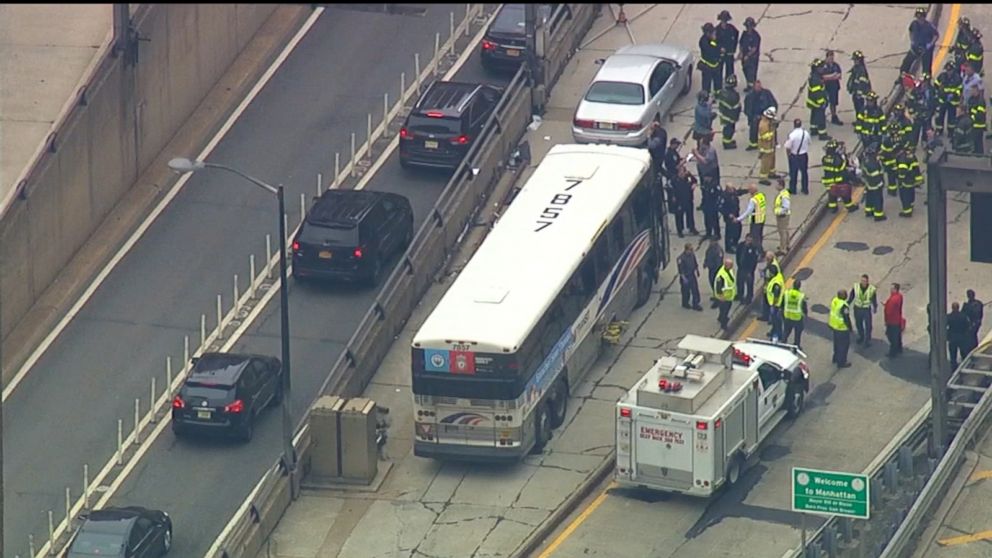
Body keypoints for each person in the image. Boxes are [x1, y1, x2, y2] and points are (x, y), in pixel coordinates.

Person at [900, 7, 938, 76]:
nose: (919, 19)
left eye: (921, 17)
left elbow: (936, 35)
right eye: (918, 17)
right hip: (915, 47)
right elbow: (910, 31)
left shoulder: (929, 26)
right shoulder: (914, 24)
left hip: (926, 50)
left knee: (926, 69)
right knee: (906, 63)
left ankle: (926, 82)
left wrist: (930, 44)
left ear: (924, 17)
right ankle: (903, 78)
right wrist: (912, 40)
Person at [744, 80, 777, 151]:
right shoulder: (750, 96)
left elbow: (773, 104)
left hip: (767, 116)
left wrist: (768, 115)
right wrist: (753, 116)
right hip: (755, 117)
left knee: (771, 128)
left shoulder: (767, 93)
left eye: (759, 86)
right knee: (753, 129)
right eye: (757, 86)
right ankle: (753, 144)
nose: (759, 88)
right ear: (754, 87)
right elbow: (747, 108)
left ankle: (773, 142)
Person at [907, 72, 937, 148]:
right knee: (915, 130)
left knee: (926, 129)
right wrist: (912, 112)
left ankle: (925, 142)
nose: (923, 83)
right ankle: (913, 145)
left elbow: (935, 101)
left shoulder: (932, 90)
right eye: (922, 82)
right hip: (918, 113)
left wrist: (935, 111)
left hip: (928, 113)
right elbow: (910, 101)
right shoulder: (916, 90)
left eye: (925, 82)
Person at [848, 274, 878, 347]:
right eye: (862, 280)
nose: (863, 282)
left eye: (865, 281)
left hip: (866, 309)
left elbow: (874, 299)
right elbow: (851, 297)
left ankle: (867, 341)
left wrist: (875, 307)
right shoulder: (856, 287)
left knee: (868, 326)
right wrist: (847, 304)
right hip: (857, 308)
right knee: (859, 324)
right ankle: (861, 336)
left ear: (867, 281)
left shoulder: (871, 289)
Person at [669, 162, 698, 237]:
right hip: (679, 200)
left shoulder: (688, 176)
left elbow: (695, 181)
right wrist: (673, 197)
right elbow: (670, 189)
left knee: (690, 214)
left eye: (684, 171)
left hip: (688, 199)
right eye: (681, 172)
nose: (683, 173)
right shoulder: (674, 179)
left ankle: (691, 227)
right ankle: (680, 230)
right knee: (679, 216)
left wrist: (694, 185)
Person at [933, 61, 962, 135]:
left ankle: (951, 131)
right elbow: (936, 84)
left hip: (952, 101)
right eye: (947, 70)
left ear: (953, 70)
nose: (949, 72)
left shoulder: (957, 78)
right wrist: (937, 93)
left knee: (951, 117)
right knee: (940, 116)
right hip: (942, 100)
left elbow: (960, 89)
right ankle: (939, 130)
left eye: (950, 70)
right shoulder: (942, 76)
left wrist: (954, 94)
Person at [783, 118, 811, 194]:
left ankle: (793, 189)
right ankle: (805, 189)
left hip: (794, 156)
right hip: (804, 155)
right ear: (801, 124)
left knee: (793, 173)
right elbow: (809, 142)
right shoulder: (805, 133)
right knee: (804, 172)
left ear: (794, 125)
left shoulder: (792, 135)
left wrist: (789, 155)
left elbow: (788, 147)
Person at [860, 143, 887, 221]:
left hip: (869, 184)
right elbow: (875, 176)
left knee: (870, 197)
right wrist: (880, 184)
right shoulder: (873, 163)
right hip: (875, 184)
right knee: (878, 199)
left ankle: (869, 211)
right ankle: (878, 215)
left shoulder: (867, 159)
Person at [736, 183, 766, 249]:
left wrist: (738, 219)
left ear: (752, 190)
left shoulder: (753, 200)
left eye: (749, 190)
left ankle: (757, 251)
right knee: (759, 236)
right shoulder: (761, 195)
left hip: (755, 220)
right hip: (762, 219)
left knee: (755, 238)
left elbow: (748, 212)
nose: (749, 191)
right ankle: (760, 249)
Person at [829, 288, 854, 368]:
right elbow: (846, 318)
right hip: (842, 328)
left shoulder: (835, 300)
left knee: (836, 344)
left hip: (834, 326)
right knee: (844, 346)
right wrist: (850, 328)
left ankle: (835, 358)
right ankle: (841, 362)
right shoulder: (844, 306)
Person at [716, 74, 742, 149]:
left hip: (724, 115)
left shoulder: (723, 92)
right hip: (730, 116)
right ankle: (727, 144)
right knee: (729, 130)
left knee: (727, 129)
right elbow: (735, 107)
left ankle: (728, 141)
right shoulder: (734, 95)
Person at [896, 144, 923, 217]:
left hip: (906, 181)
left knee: (905, 196)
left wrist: (900, 182)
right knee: (911, 192)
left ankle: (907, 212)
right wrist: (918, 180)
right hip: (911, 179)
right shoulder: (912, 156)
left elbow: (902, 172)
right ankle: (911, 205)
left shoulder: (902, 159)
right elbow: (916, 168)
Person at [847, 50, 872, 127]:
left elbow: (862, 83)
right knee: (857, 108)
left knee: (860, 108)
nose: (854, 61)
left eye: (855, 60)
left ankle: (861, 123)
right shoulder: (856, 68)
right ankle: (859, 121)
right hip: (856, 92)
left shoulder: (861, 70)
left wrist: (859, 94)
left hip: (859, 94)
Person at [807, 58, 830, 140]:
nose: (823, 68)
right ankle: (822, 134)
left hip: (813, 102)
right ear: (816, 69)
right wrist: (822, 102)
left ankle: (813, 129)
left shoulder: (814, 76)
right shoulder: (816, 79)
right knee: (821, 118)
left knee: (814, 116)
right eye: (821, 67)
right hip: (817, 103)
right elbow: (818, 93)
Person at [782, 279, 809, 348]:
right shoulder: (801, 296)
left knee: (786, 331)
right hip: (797, 318)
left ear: (793, 285)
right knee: (798, 333)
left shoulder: (787, 293)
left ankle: (783, 343)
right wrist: (805, 314)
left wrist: (782, 311)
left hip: (787, 316)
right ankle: (796, 346)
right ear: (799, 286)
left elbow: (783, 303)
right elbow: (804, 307)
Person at [677, 243, 704, 311]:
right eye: (690, 250)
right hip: (685, 277)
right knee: (685, 292)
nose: (692, 251)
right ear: (686, 250)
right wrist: (684, 278)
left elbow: (695, 263)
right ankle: (685, 303)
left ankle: (695, 304)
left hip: (692, 275)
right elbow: (681, 270)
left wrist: (697, 271)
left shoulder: (692, 255)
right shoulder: (681, 258)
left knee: (695, 290)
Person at [736, 233, 761, 304]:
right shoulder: (741, 245)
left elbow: (754, 260)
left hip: (748, 269)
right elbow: (738, 255)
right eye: (747, 239)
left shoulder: (753, 248)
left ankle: (749, 297)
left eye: (750, 240)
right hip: (741, 267)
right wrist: (738, 264)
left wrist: (751, 271)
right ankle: (740, 294)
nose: (748, 241)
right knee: (739, 282)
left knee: (749, 284)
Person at [820, 50, 844, 125]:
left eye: (832, 57)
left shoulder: (836, 65)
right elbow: (821, 77)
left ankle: (834, 117)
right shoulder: (822, 66)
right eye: (830, 58)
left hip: (834, 87)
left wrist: (829, 77)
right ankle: (821, 117)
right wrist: (832, 76)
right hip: (825, 88)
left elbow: (839, 76)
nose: (831, 59)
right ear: (826, 57)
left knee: (833, 103)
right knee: (824, 103)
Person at [715, 10, 740, 82]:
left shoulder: (732, 29)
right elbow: (713, 42)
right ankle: (718, 83)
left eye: (725, 20)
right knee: (719, 69)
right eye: (723, 20)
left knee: (730, 69)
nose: (724, 22)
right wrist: (719, 48)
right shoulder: (717, 30)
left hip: (729, 53)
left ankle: (729, 83)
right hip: (720, 54)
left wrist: (733, 48)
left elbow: (736, 35)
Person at [947, 302, 973, 370]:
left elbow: (945, 326)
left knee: (953, 356)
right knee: (964, 353)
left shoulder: (949, 316)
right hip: (962, 337)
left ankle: (953, 368)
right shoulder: (963, 316)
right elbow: (968, 326)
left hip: (953, 338)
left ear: (952, 308)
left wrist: (948, 335)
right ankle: (964, 367)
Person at [698, 23, 723, 94]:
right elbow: (711, 51)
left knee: (718, 82)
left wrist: (718, 46)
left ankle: (717, 94)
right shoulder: (703, 41)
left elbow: (716, 44)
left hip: (715, 65)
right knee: (706, 83)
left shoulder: (711, 39)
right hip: (707, 66)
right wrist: (718, 50)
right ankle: (706, 96)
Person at [759, 251, 783, 322]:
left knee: (771, 304)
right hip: (770, 286)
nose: (766, 260)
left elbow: (770, 276)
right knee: (767, 302)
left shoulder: (773, 266)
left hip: (772, 287)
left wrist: (763, 274)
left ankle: (771, 319)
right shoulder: (772, 263)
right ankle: (766, 317)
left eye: (767, 258)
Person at [714, 258, 737, 330]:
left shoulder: (728, 270)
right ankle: (724, 325)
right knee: (725, 311)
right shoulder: (721, 275)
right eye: (731, 265)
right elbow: (718, 287)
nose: (732, 266)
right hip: (724, 297)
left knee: (723, 309)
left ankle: (720, 318)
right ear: (727, 265)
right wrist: (721, 296)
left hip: (729, 295)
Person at [879, 124, 903, 195]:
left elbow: (883, 153)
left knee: (891, 177)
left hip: (890, 163)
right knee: (899, 175)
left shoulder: (887, 140)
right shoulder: (901, 138)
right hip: (899, 162)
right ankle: (901, 188)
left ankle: (893, 191)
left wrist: (883, 162)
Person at [765, 258, 785, 341]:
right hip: (776, 304)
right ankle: (774, 331)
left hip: (776, 305)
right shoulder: (778, 276)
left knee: (776, 321)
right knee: (776, 321)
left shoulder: (776, 283)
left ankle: (777, 335)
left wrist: (773, 304)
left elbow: (776, 295)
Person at [739, 17, 761, 92]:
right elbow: (741, 44)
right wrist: (741, 53)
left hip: (752, 58)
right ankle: (749, 85)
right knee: (745, 70)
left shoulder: (756, 36)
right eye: (747, 26)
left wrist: (748, 55)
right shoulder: (744, 34)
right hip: (744, 57)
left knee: (752, 72)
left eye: (750, 26)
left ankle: (753, 87)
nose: (748, 28)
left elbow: (754, 48)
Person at [757, 106, 778, 184]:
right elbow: (765, 137)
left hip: (771, 146)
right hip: (765, 147)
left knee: (772, 160)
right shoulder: (763, 125)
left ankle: (771, 173)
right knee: (765, 163)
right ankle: (763, 178)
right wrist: (772, 133)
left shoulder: (769, 122)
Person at [884, 283, 905, 357]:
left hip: (892, 321)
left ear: (895, 289)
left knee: (892, 337)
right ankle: (899, 349)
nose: (890, 290)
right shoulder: (899, 296)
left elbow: (888, 312)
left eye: (892, 288)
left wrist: (886, 305)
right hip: (898, 320)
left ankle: (893, 353)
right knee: (898, 336)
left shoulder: (893, 299)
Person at [704, 238, 725, 307]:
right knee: (712, 283)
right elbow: (707, 256)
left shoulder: (718, 250)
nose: (711, 242)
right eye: (711, 241)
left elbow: (719, 262)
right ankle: (715, 296)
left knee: (717, 285)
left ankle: (718, 300)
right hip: (711, 269)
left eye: (712, 241)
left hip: (716, 270)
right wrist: (705, 263)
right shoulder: (710, 248)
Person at [963, 289, 984, 354]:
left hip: (972, 323)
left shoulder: (967, 305)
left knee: (971, 337)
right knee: (973, 336)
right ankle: (975, 348)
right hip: (976, 323)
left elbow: (964, 314)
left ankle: (972, 349)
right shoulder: (979, 303)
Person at [773, 178, 791, 255]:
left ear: (780, 185)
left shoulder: (783, 195)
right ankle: (787, 244)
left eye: (776, 184)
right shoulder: (783, 193)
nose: (775, 186)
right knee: (785, 230)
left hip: (782, 216)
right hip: (783, 215)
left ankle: (783, 249)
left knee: (782, 232)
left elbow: (786, 207)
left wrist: (779, 212)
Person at [967, 88, 987, 154]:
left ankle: (980, 153)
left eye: (973, 91)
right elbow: (969, 108)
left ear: (977, 91)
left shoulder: (980, 101)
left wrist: (972, 115)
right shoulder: (971, 99)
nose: (971, 92)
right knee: (974, 139)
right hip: (974, 123)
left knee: (978, 140)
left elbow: (980, 114)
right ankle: (976, 152)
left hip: (979, 124)